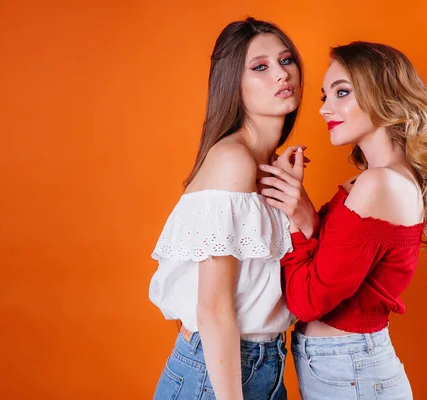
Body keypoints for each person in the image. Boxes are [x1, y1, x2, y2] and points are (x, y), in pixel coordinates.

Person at [259, 41, 427, 399]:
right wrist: (302, 214)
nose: (325, 109)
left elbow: (307, 302)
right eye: (324, 96)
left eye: (342, 93)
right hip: (346, 368)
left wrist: (296, 220)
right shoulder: (376, 179)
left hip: (350, 372)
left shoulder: (378, 184)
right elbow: (337, 266)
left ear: (383, 96)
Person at [148, 17, 303, 400]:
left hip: (262, 364)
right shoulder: (233, 162)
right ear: (234, 84)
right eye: (261, 67)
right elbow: (213, 310)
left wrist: (301, 208)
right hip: (219, 376)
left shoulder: (267, 165)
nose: (281, 74)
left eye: (286, 61)